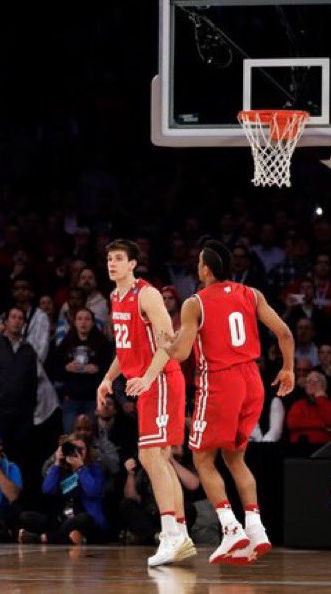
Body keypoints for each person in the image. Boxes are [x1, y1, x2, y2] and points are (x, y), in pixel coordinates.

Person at [155, 240, 295, 564]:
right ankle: (256, 528)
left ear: (206, 269)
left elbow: (183, 352)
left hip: (220, 381)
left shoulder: (194, 303)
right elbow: (285, 333)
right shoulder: (252, 294)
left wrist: (166, 344)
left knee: (202, 459)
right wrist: (287, 369)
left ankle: (230, 527)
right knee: (235, 459)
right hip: (253, 381)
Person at [95, 239, 195, 567]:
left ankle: (172, 534)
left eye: (119, 258)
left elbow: (167, 341)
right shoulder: (115, 297)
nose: (112, 263)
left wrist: (150, 377)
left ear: (133, 264)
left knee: (151, 456)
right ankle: (178, 534)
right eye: (109, 258)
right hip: (146, 383)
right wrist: (108, 378)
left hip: (162, 380)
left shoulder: (147, 294)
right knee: (159, 459)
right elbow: (125, 350)